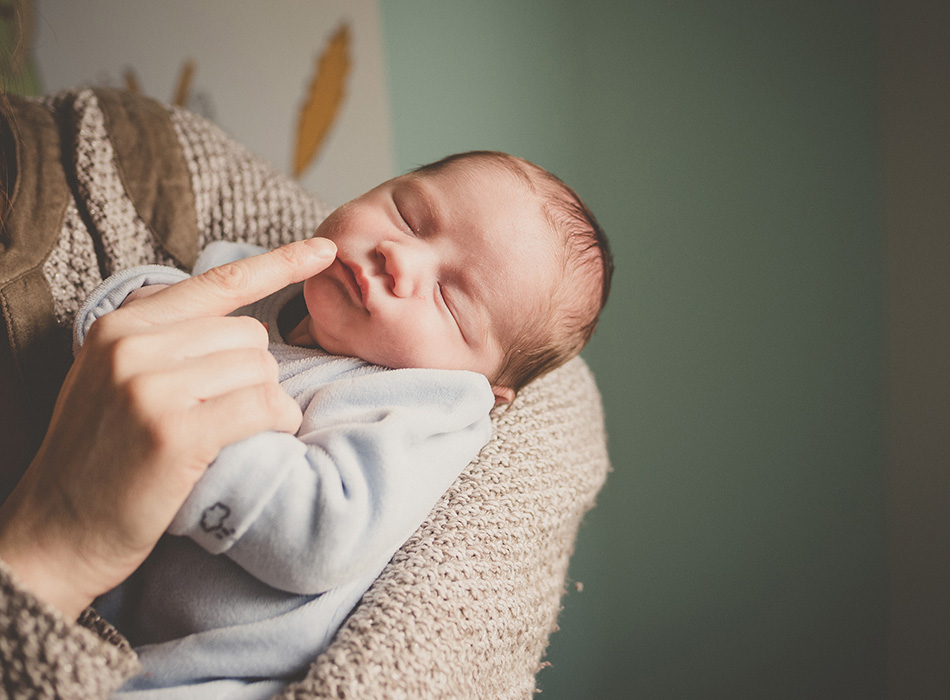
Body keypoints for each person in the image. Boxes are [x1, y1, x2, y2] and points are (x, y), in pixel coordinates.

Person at [0, 87, 612, 699]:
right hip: (105, 599)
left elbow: (325, 531)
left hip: (219, 672)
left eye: (451, 299)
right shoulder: (259, 275)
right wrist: (129, 305)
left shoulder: (425, 406)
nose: (399, 257)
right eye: (409, 214)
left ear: (484, 386)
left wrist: (184, 445)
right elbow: (155, 318)